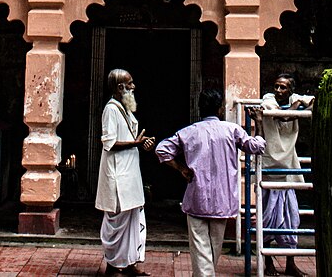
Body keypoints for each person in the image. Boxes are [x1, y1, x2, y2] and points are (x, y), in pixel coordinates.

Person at [155, 89, 266, 277]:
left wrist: (182, 168)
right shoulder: (232, 130)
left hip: (197, 198)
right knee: (213, 251)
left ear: (200, 108)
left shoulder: (189, 132)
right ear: (220, 109)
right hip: (223, 201)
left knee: (201, 251)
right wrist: (260, 122)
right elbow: (258, 146)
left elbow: (162, 150)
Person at [95, 69, 155, 276]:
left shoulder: (125, 109)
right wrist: (135, 143)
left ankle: (130, 263)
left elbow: (131, 140)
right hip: (118, 173)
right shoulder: (111, 110)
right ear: (120, 87)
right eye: (130, 83)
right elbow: (109, 143)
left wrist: (141, 144)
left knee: (132, 217)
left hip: (130, 173)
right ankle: (113, 266)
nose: (133, 86)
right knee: (117, 219)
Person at [256, 74, 314, 277]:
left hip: (288, 168)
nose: (279, 91)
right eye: (277, 86)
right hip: (270, 168)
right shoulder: (268, 100)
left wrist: (300, 102)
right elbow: (283, 116)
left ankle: (290, 262)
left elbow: (312, 101)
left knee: (291, 219)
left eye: (283, 88)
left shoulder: (295, 99)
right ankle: (268, 262)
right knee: (268, 218)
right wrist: (297, 105)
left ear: (290, 90)